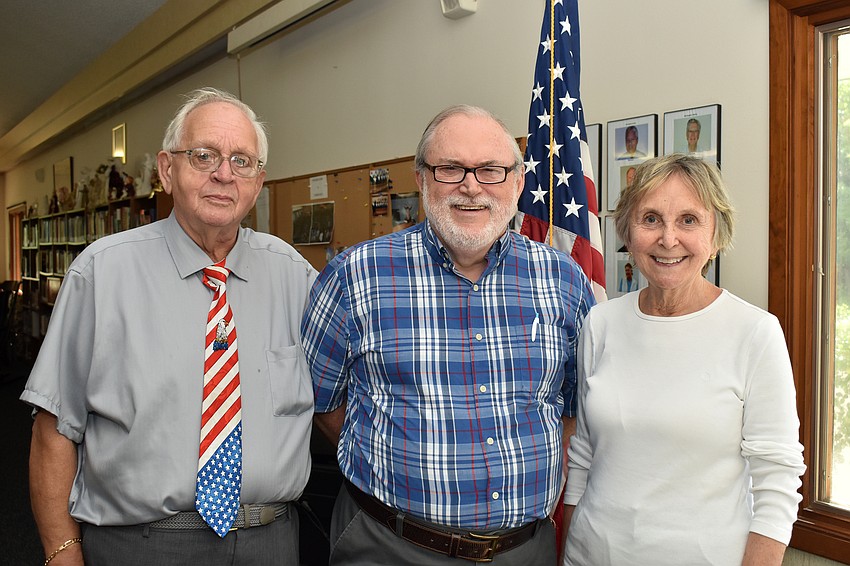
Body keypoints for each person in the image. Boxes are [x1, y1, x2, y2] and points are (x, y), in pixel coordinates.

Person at [21, 87, 317, 566]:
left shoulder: (294, 275)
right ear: (166, 170)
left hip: (272, 540)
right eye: (204, 156)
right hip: (142, 544)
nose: (224, 174)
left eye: (242, 161)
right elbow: (54, 428)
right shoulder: (102, 273)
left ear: (258, 182)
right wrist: (62, 553)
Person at [301, 104, 595, 565]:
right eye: (450, 168)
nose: (471, 186)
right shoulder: (354, 276)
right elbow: (323, 402)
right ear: (421, 180)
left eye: (490, 170)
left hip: (524, 550)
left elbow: (574, 405)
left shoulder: (563, 280)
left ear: (517, 183)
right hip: (389, 545)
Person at [563, 153, 805, 565]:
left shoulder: (755, 333)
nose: (668, 239)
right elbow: (583, 455)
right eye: (651, 219)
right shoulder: (601, 323)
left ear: (716, 233)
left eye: (689, 220)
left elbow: (777, 482)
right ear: (628, 231)